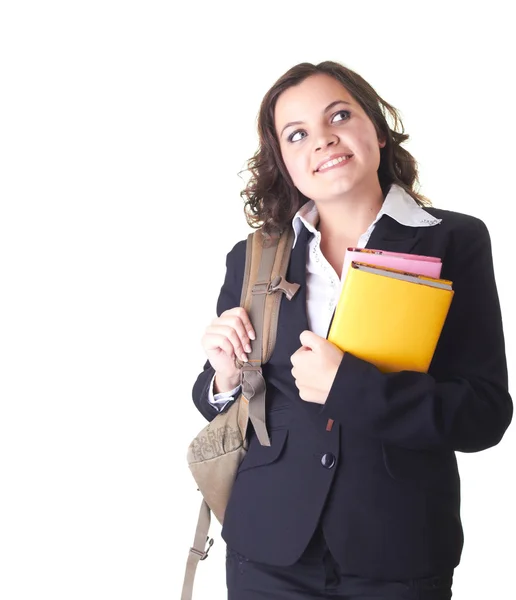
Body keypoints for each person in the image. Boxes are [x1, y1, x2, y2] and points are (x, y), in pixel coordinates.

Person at [192, 60, 513, 600]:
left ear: (378, 130)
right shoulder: (252, 259)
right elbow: (223, 403)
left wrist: (349, 386)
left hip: (399, 547)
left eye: (339, 115)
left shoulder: (454, 241)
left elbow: (483, 414)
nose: (322, 140)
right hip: (268, 548)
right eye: (297, 135)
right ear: (285, 164)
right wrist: (223, 378)